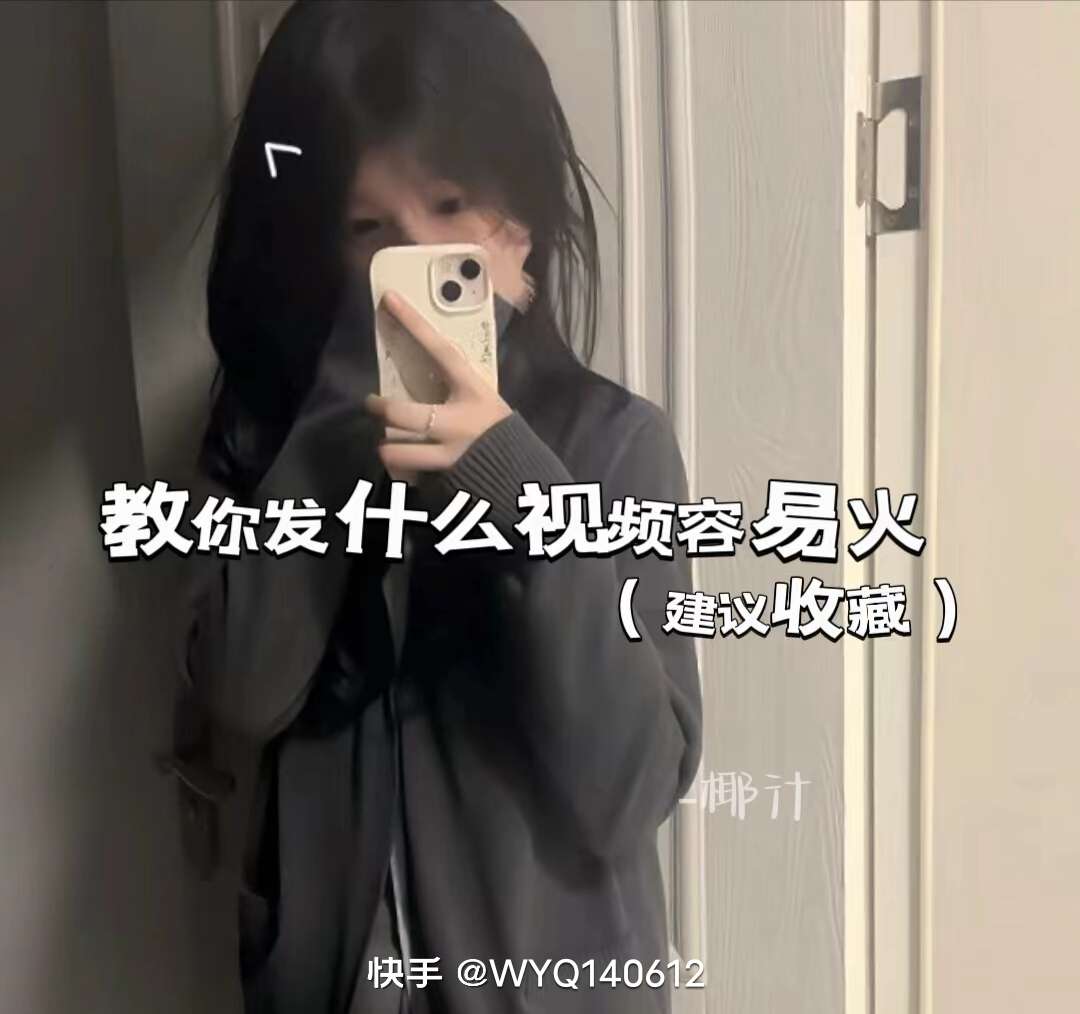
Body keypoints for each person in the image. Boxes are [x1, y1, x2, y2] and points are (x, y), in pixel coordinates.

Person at [167, 2, 703, 1012]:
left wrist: (517, 485)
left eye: (452, 206)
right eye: (366, 229)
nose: (413, 264)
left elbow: (629, 789)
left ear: (524, 228)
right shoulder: (278, 443)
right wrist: (331, 430)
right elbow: (239, 692)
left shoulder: (610, 446)